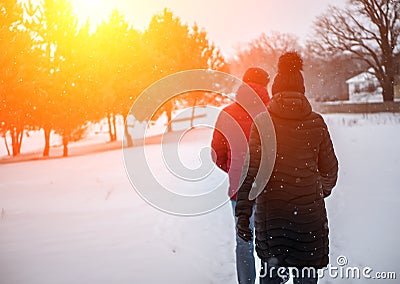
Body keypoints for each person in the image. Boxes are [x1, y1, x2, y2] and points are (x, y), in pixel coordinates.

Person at [235, 52, 339, 284]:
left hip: (272, 219)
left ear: (275, 90)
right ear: (302, 90)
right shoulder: (316, 123)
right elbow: (330, 171)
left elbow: (250, 172)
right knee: (306, 277)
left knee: (272, 276)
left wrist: (243, 213)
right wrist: (316, 191)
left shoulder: (263, 122)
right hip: (309, 220)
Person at [211, 67, 270, 284]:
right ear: (265, 85)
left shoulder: (227, 113)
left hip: (239, 190)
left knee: (243, 240)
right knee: (270, 242)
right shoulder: (274, 111)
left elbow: (216, 152)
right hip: (271, 190)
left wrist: (235, 168)